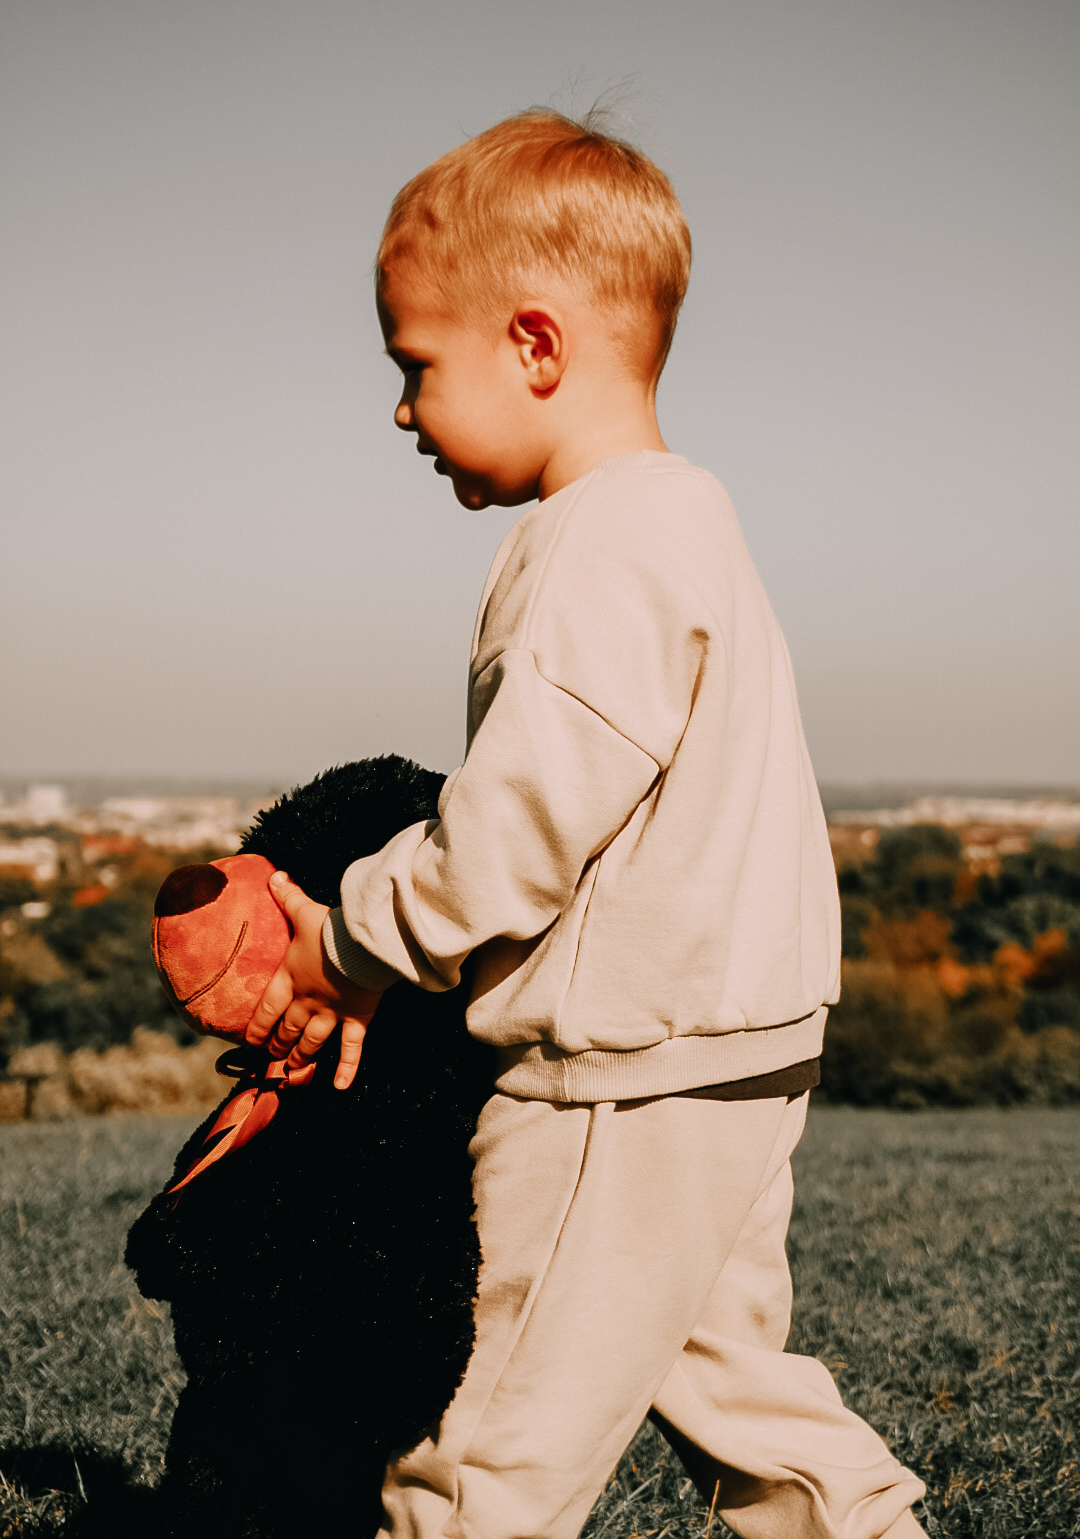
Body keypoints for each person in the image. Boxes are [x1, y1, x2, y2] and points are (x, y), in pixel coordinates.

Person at [245, 109, 927, 1539]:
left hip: (620, 1071)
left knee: (482, 1463)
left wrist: (348, 939)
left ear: (536, 347)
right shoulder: (690, 523)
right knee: (738, 1389)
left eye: (413, 366)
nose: (399, 409)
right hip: (737, 1051)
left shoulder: (597, 549)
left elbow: (510, 837)